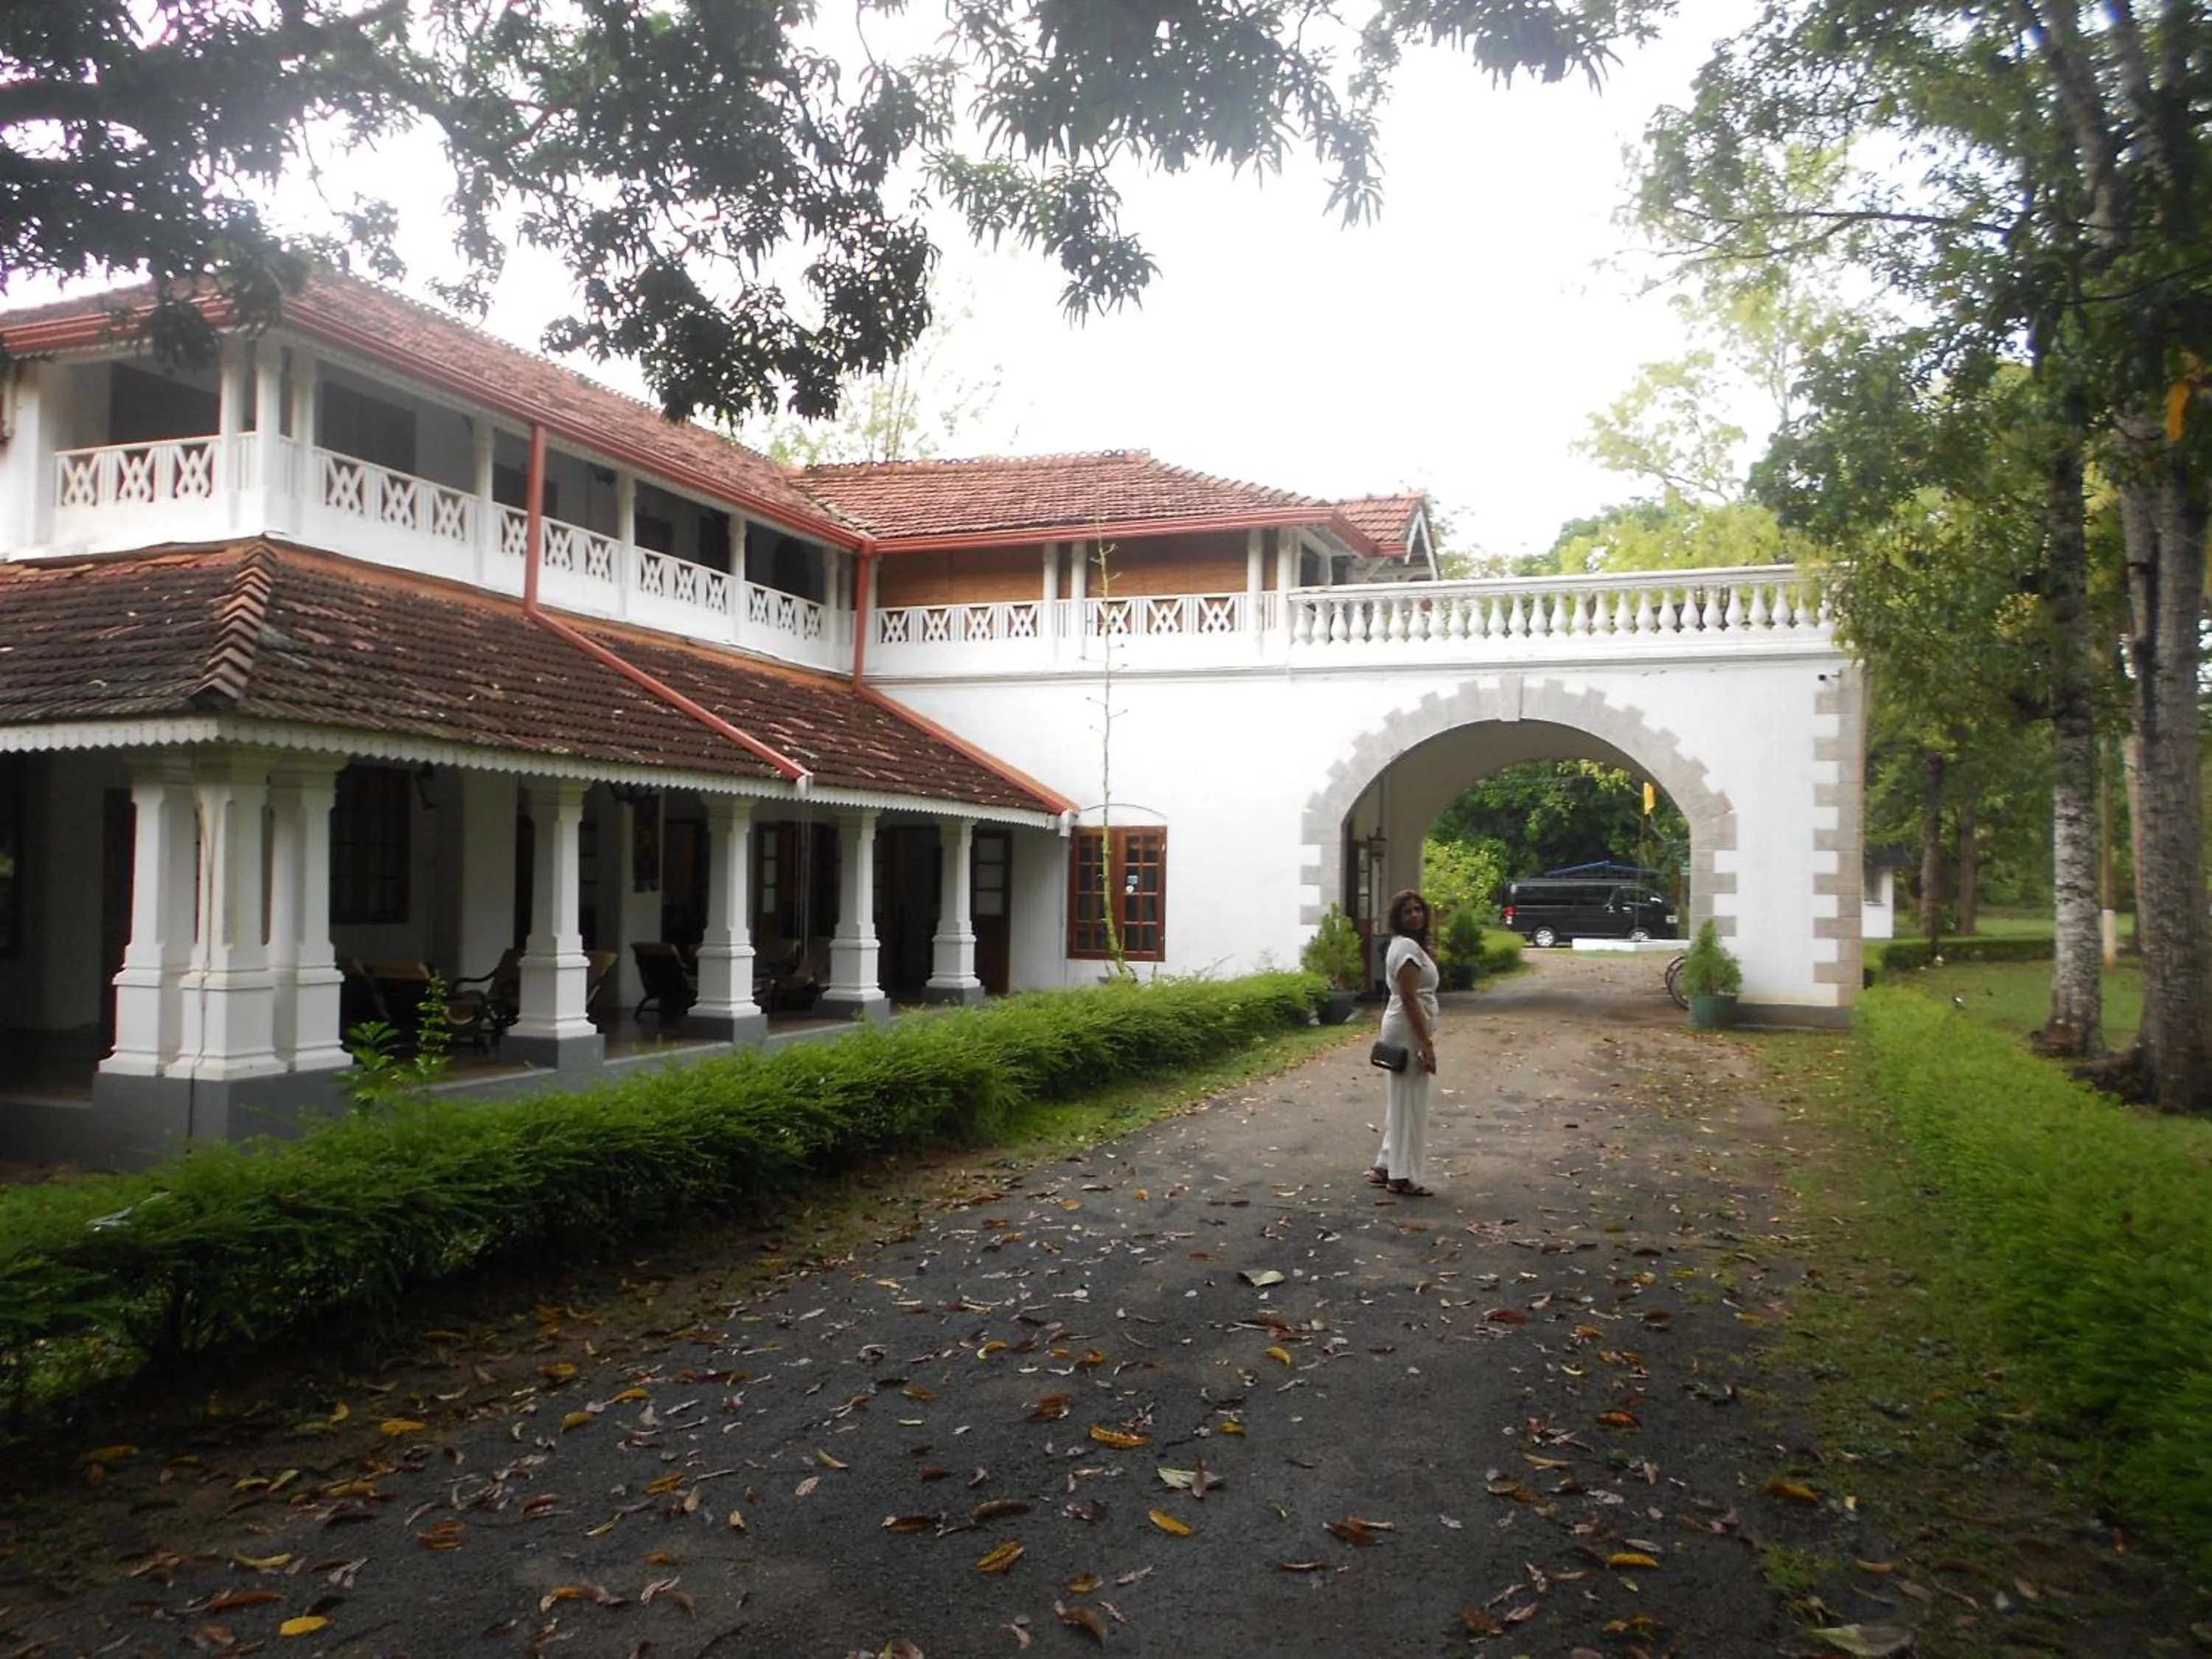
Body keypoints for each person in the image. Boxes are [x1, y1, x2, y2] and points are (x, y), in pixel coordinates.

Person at [1366, 888, 1441, 1197]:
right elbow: (1410, 998)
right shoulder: (1407, 947)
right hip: (1408, 1027)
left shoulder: (1402, 945)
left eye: (1418, 910)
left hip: (1402, 1023)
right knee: (1410, 1102)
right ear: (1398, 917)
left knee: (1401, 1100)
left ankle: (1386, 1164)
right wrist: (1427, 1043)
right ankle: (1401, 1176)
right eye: (1408, 911)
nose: (1415, 915)